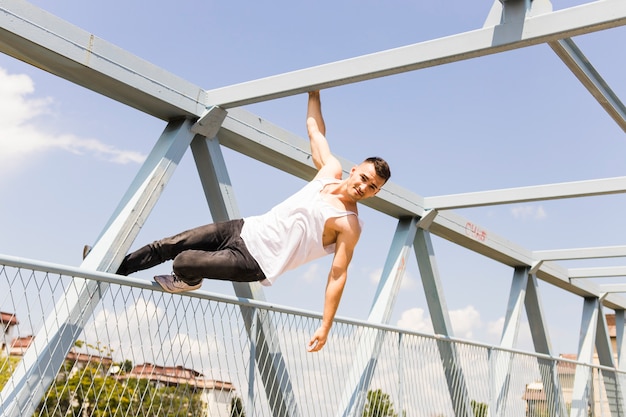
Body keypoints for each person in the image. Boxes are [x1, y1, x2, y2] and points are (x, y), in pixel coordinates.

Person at [114, 91, 390, 351]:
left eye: (373, 187)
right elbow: (315, 131)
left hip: (256, 261)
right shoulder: (330, 171)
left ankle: (189, 280)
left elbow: (338, 275)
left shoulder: (348, 224)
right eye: (364, 178)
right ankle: (114, 268)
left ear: (376, 193)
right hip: (245, 228)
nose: (364, 187)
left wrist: (326, 326)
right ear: (354, 170)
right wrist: (314, 93)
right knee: (169, 244)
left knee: (183, 261)